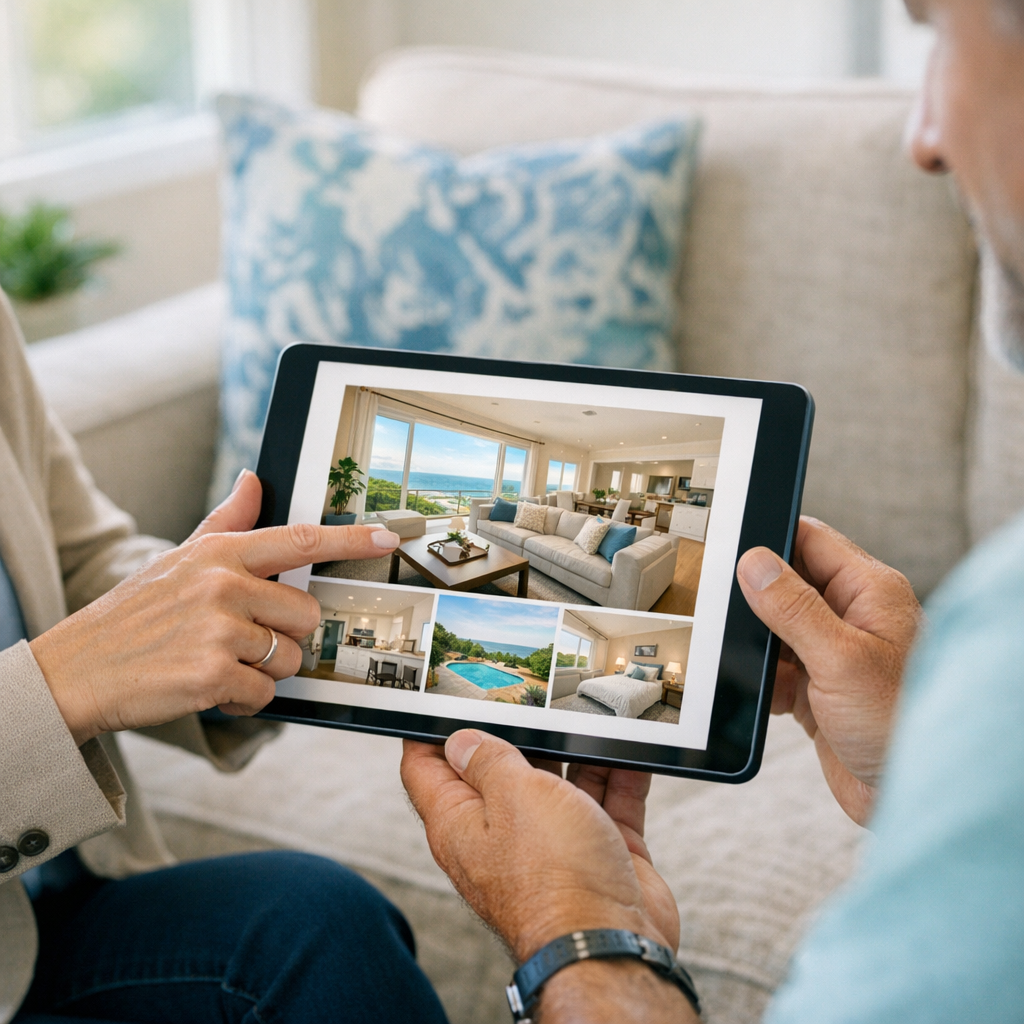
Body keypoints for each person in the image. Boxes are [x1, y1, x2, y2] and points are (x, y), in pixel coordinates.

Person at [401, 0, 1024, 1020]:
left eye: (938, 33)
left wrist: (574, 933)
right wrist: (921, 763)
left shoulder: (1007, 646)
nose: (923, 137)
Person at [0, 291, 448, 1022]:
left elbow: (80, 559)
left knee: (323, 917)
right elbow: (76, 658)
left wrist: (230, 606)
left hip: (36, 910)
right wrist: (61, 686)